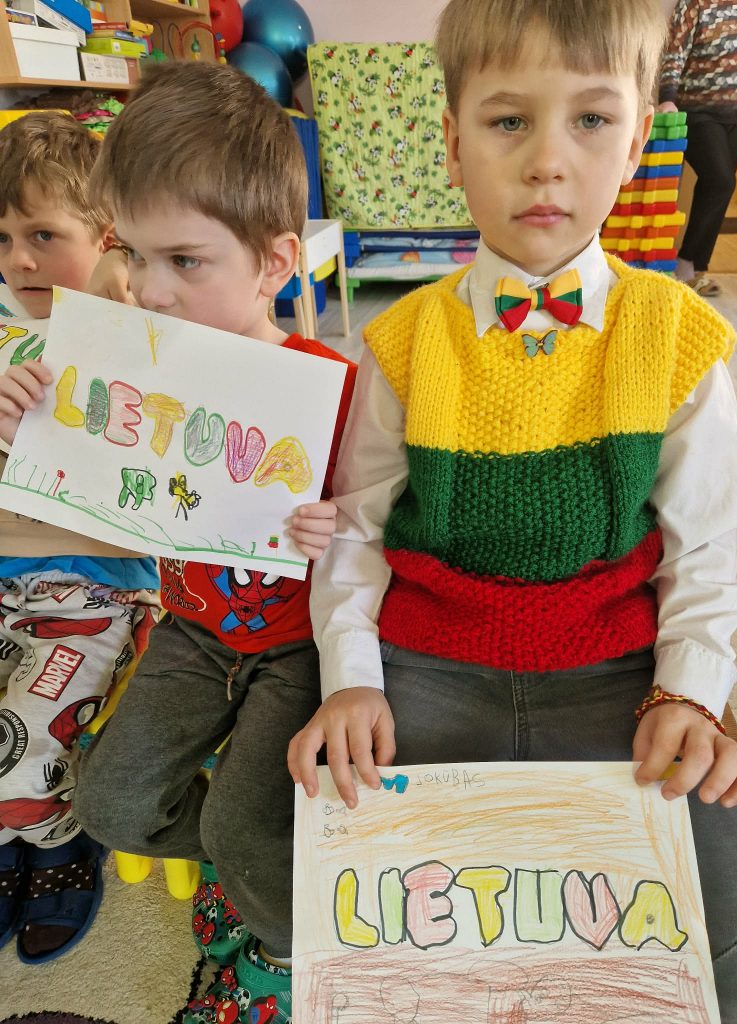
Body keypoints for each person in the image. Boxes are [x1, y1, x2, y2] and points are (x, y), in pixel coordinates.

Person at [288, 0, 737, 1020]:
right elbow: (359, 527)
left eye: (591, 120)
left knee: (736, 942)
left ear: (636, 144)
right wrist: (351, 679)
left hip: (614, 667)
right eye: (509, 121)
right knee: (337, 898)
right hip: (429, 661)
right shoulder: (402, 340)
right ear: (453, 143)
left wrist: (689, 691)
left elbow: (708, 545)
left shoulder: (675, 332)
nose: (548, 162)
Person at [71, 63, 356, 1024]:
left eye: (185, 261)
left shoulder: (330, 384)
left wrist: (342, 521)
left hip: (299, 646)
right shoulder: (132, 361)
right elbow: (76, 463)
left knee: (242, 823)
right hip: (193, 633)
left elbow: (389, 526)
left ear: (276, 264)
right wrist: (30, 409)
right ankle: (266, 866)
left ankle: (289, 943)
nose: (148, 290)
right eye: (132, 253)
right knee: (109, 805)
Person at [0, 111, 160, 963]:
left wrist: (114, 284)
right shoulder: (6, 335)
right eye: (3, 239)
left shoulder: (132, 325)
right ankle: (8, 838)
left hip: (97, 585)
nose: (19, 261)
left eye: (42, 235)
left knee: (26, 735)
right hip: (9, 572)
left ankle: (56, 842)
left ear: (103, 236)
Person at [658, 0, 737, 298]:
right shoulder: (696, 4)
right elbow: (675, 52)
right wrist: (667, 98)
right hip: (698, 110)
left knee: (716, 190)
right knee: (721, 181)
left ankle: (696, 270)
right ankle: (685, 266)